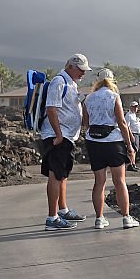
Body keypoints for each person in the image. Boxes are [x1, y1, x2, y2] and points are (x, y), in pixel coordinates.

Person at [82, 69, 140, 230]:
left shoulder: (88, 98)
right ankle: (126, 218)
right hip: (113, 141)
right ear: (112, 81)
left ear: (98, 81)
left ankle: (99, 219)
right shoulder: (114, 96)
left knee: (99, 182)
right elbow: (122, 122)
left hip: (94, 141)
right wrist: (130, 145)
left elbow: (85, 123)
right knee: (119, 181)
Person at [40, 54, 90, 230]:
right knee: (56, 174)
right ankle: (52, 218)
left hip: (68, 135)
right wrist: (59, 134)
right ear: (71, 66)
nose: (83, 73)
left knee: (62, 174)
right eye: (81, 69)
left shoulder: (71, 83)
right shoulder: (59, 81)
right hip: (58, 136)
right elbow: (51, 109)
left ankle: (62, 209)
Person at [125, 101, 140, 171]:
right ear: (131, 107)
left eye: (136, 107)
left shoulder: (134, 115)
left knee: (135, 150)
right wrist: (131, 135)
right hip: (133, 133)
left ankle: (133, 164)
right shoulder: (128, 115)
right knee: (132, 150)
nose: (136, 108)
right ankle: (130, 164)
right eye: (134, 107)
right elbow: (127, 126)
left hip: (136, 134)